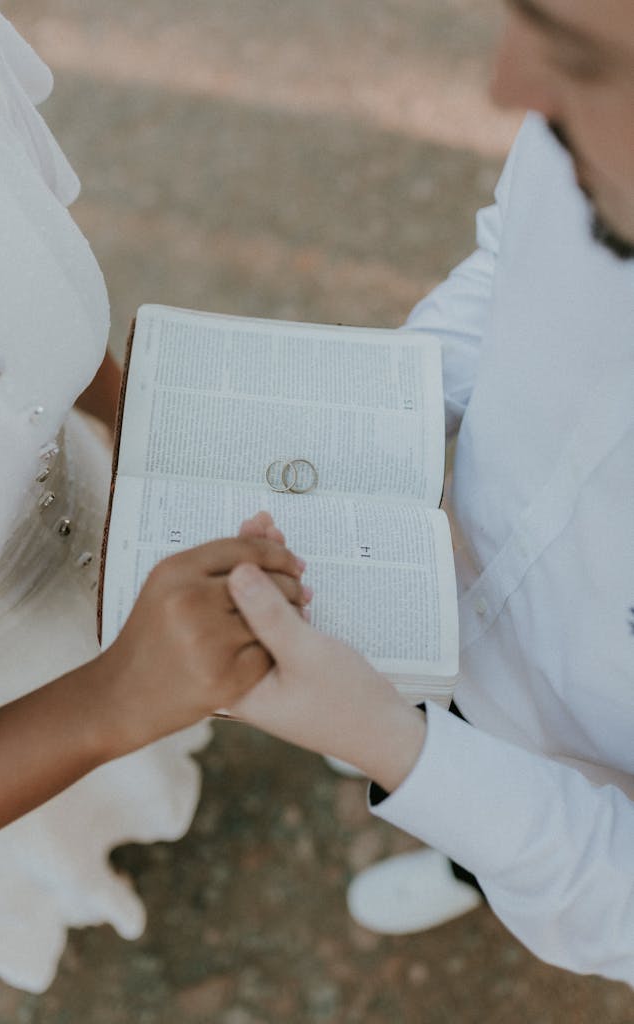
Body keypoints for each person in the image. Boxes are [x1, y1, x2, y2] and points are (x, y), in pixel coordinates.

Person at [225, 0, 634, 988]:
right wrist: (381, 413)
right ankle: (452, 827)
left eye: (576, 56)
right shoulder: (590, 136)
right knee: (448, 756)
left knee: (471, 801)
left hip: (581, 781)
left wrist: (383, 744)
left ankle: (463, 839)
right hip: (454, 625)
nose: (504, 86)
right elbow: (509, 257)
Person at [0, 0, 309, 993]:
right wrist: (106, 704)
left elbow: (35, 325)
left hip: (102, 513)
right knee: (53, 829)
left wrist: (141, 452)